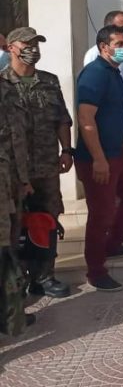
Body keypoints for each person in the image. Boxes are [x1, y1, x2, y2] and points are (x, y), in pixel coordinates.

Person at [2, 27, 74, 298]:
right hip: (11, 171)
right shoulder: (3, 84)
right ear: (11, 48)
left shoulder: (49, 81)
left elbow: (62, 120)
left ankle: (44, 276)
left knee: (48, 219)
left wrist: (67, 151)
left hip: (45, 166)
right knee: (14, 225)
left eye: (36, 44)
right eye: (27, 44)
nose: (33, 49)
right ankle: (16, 282)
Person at [74, 25, 123, 292]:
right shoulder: (95, 74)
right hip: (98, 158)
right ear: (104, 47)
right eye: (119, 44)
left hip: (118, 153)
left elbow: (116, 117)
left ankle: (113, 243)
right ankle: (96, 270)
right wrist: (98, 158)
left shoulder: (115, 73)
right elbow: (86, 118)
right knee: (101, 214)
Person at [84, 11, 123, 228]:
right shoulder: (94, 61)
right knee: (109, 188)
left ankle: (121, 223)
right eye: (122, 29)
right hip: (107, 136)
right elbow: (88, 112)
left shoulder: (122, 60)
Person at [0, 72, 34, 334]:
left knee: (7, 248)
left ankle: (11, 314)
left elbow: (16, 138)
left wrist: (22, 179)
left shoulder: (6, 88)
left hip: (7, 181)